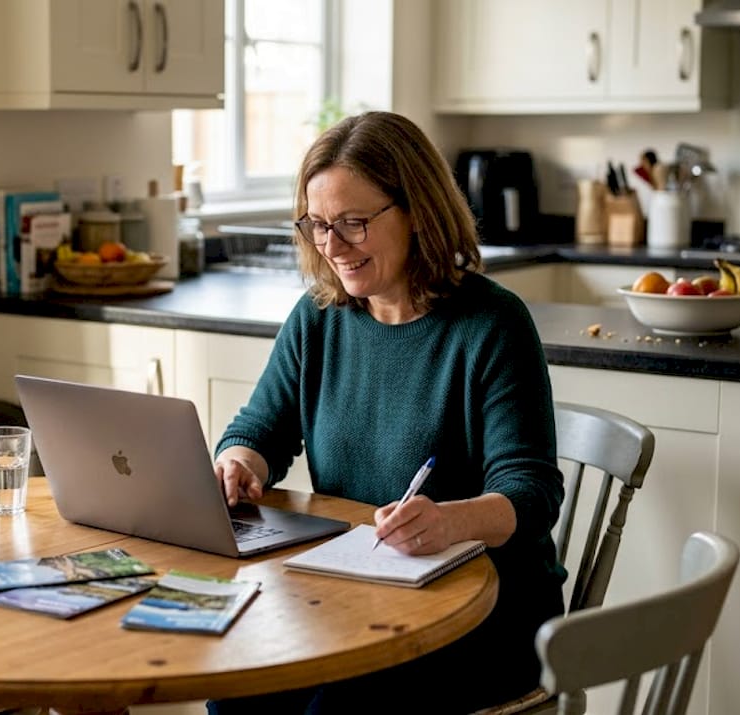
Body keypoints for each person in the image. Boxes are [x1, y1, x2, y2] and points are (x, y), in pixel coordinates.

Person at [208, 111, 567, 714]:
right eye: (317, 225)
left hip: (481, 610)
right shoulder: (318, 317)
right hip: (354, 596)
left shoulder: (492, 325)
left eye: (352, 223)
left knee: (336, 706)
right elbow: (259, 429)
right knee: (237, 689)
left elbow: (531, 494)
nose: (332, 247)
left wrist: (449, 521)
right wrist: (239, 462)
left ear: (417, 212)